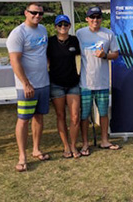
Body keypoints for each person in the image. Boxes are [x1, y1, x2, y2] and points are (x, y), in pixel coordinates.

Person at [6, 2, 50, 172]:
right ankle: (22, 156)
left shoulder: (43, 30)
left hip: (44, 83)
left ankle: (36, 149)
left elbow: (43, 54)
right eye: (33, 13)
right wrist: (25, 83)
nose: (37, 16)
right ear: (26, 13)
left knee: (39, 117)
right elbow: (14, 61)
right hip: (27, 86)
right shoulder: (18, 33)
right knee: (24, 120)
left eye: (40, 13)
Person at [77, 6, 121, 153]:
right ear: (87, 19)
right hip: (85, 83)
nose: (95, 20)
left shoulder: (109, 34)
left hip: (102, 82)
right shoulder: (80, 33)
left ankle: (104, 141)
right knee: (84, 115)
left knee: (103, 113)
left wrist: (105, 56)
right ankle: (85, 143)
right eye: (92, 17)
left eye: (98, 17)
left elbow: (116, 53)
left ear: (102, 18)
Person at [47, 15, 81, 158]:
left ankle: (73, 145)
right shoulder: (50, 42)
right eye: (60, 24)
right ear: (55, 27)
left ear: (69, 26)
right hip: (56, 84)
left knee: (75, 116)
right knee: (60, 115)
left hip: (73, 83)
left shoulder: (74, 40)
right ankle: (66, 146)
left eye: (65, 24)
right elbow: (46, 61)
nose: (63, 27)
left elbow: (80, 58)